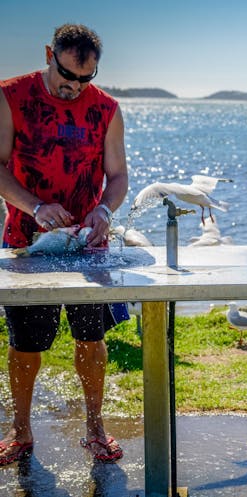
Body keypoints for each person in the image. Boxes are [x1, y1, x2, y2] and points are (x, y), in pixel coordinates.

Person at [0, 23, 129, 465]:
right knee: (25, 345)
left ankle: (95, 428)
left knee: (90, 338)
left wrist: (105, 211)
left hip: (87, 244)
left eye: (84, 79)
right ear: (48, 55)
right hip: (26, 240)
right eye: (66, 76)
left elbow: (118, 177)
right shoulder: (11, 96)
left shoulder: (107, 109)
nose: (74, 87)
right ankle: (20, 433)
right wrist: (35, 206)